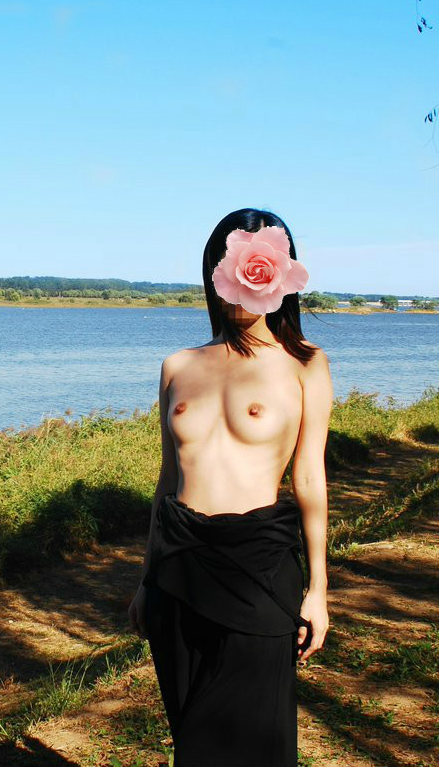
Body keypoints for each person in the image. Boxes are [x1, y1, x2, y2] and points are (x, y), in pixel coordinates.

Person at [126, 207, 331, 766]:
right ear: (214, 274)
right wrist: (147, 578)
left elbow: (309, 477)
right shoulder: (177, 365)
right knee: (191, 738)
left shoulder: (304, 365)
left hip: (259, 569)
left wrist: (318, 589)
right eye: (231, 266)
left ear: (282, 276)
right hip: (178, 570)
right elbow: (167, 479)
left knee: (246, 742)